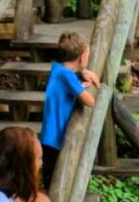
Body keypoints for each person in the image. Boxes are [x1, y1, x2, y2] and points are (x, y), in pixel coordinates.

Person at [39, 32, 100, 188]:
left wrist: (82, 73)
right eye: (88, 55)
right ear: (81, 58)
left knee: (50, 173)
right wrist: (81, 87)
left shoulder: (57, 68)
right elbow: (90, 101)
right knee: (54, 179)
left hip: (48, 133)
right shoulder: (68, 76)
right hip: (55, 136)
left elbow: (71, 74)